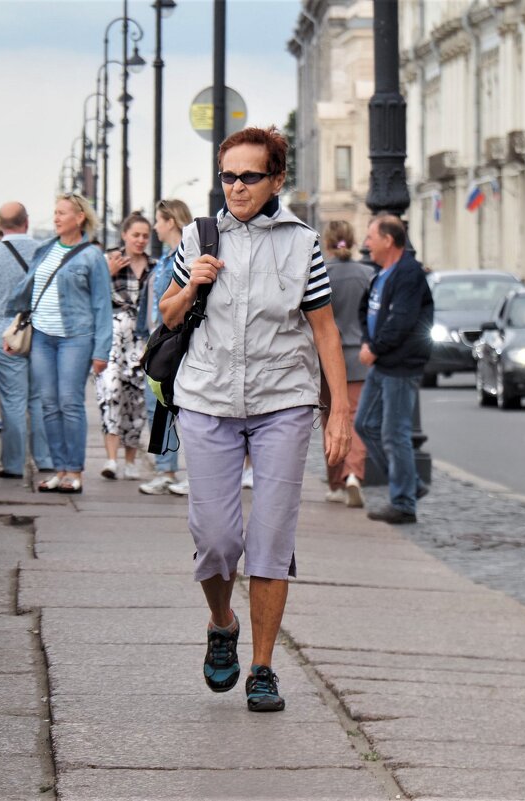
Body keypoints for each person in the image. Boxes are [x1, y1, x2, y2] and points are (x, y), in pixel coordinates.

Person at [159, 126, 350, 712]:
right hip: (208, 399)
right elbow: (167, 318)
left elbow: (323, 328)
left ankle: (263, 668)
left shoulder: (302, 243)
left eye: (249, 176)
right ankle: (222, 623)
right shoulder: (198, 235)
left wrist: (337, 410)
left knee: (271, 538)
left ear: (276, 180)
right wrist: (192, 284)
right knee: (216, 539)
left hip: (283, 401)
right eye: (227, 176)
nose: (236, 187)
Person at [9, 193, 112, 494]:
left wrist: (101, 350)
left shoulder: (92, 256)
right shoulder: (44, 250)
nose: (55, 218)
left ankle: (75, 471)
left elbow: (102, 306)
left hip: (76, 338)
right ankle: (59, 469)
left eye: (62, 213)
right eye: (54, 212)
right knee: (48, 405)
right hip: (41, 335)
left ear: (79, 217)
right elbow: (29, 294)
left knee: (69, 402)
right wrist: (16, 329)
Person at [354, 213, 434, 525]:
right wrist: (366, 341)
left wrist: (374, 348)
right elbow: (367, 310)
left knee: (394, 433)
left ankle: (403, 502)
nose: (366, 244)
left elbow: (401, 320)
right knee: (365, 425)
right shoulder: (381, 273)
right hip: (382, 361)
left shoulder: (408, 274)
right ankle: (410, 484)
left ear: (388, 240)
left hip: (400, 365)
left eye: (371, 237)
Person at [0, 201, 53, 478]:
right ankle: (45, 459)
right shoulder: (45, 251)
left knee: (13, 402)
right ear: (26, 222)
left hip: (5, 336)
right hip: (40, 332)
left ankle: (14, 466)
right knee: (38, 400)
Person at [320, 220, 375, 508]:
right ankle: (354, 473)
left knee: (331, 420)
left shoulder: (321, 274)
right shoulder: (367, 274)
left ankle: (336, 483)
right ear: (353, 242)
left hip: (328, 359)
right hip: (359, 356)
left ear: (327, 243)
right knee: (354, 419)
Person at [96, 212, 154, 481]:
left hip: (142, 340)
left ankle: (130, 462)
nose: (140, 240)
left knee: (136, 400)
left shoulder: (156, 267)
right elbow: (90, 295)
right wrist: (106, 274)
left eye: (145, 236)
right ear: (124, 235)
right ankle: (110, 460)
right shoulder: (109, 260)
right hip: (113, 335)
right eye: (136, 235)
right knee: (110, 392)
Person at [139, 199, 191, 496]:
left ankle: (177, 472)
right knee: (158, 406)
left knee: (178, 408)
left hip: (175, 343)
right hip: (160, 342)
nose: (155, 227)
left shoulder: (183, 258)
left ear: (170, 221)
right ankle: (166, 470)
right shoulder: (165, 259)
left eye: (158, 221)